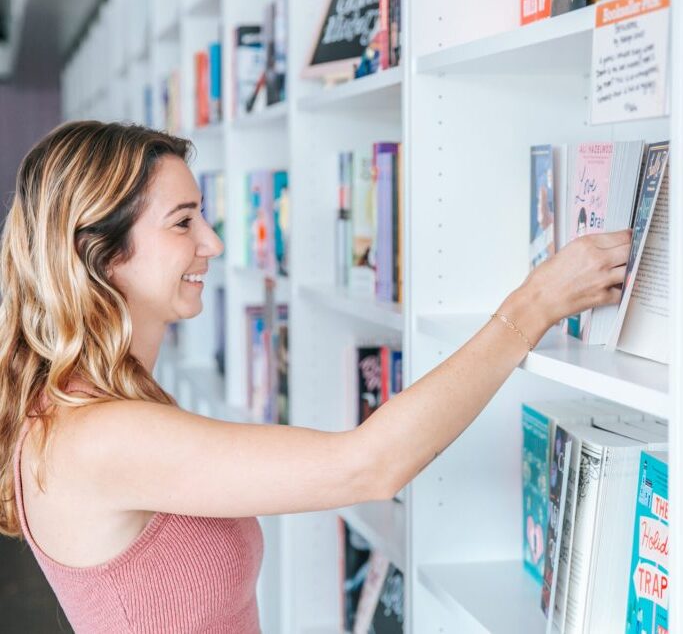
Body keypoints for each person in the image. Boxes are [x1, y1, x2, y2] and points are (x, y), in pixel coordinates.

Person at [0, 121, 631, 633]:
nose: (213, 244)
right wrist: (534, 306)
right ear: (100, 252)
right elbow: (370, 465)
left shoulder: (93, 407)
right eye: (183, 221)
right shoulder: (100, 435)